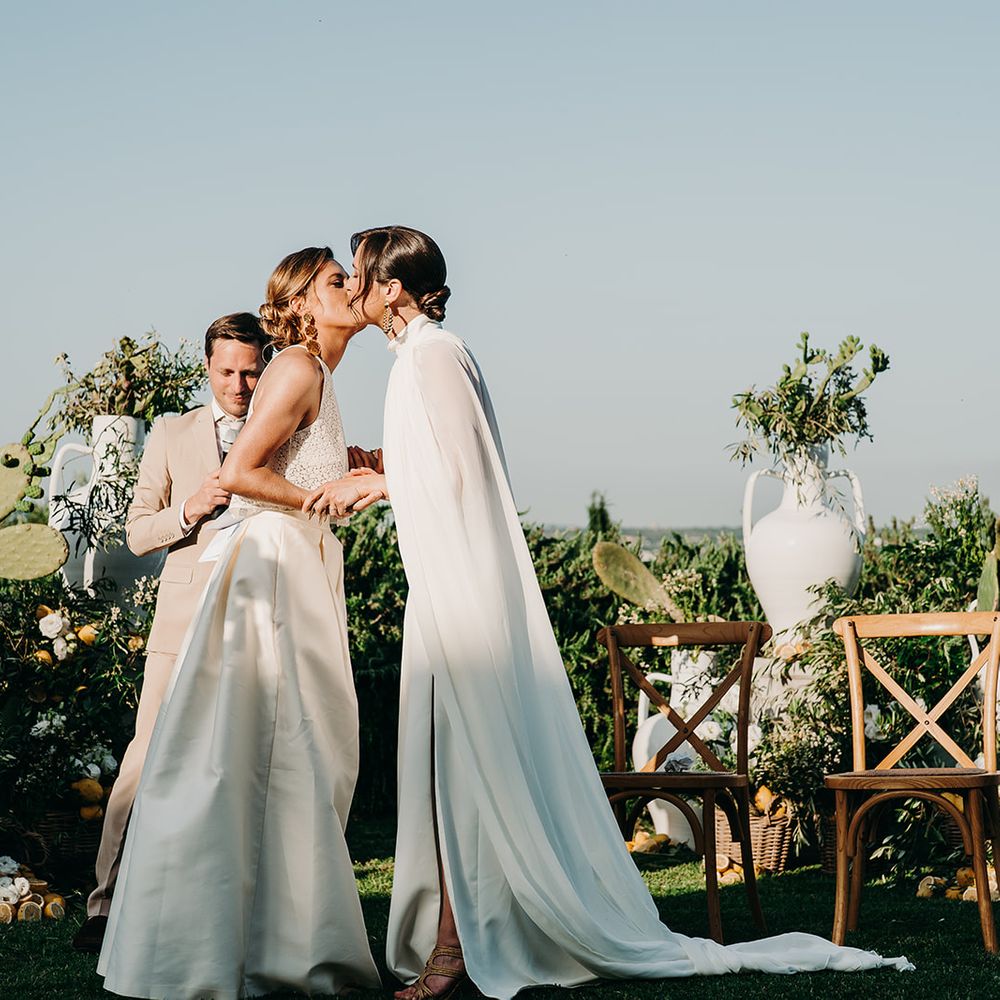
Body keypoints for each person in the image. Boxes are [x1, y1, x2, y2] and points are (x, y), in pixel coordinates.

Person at [308, 226, 913, 1000]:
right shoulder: (417, 360)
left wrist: (378, 487)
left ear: (391, 288)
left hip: (464, 598)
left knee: (467, 770)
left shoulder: (434, 355)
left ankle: (456, 954)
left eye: (358, 274)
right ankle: (462, 938)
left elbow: (465, 475)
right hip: (444, 587)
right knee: (453, 771)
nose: (351, 287)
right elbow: (438, 461)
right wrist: (383, 466)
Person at [96, 248, 381, 999]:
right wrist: (326, 497)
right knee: (258, 756)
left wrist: (349, 470)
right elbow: (236, 476)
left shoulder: (313, 373)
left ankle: (265, 932)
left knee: (293, 756)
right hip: (272, 570)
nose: (352, 288)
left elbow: (288, 460)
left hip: (295, 565)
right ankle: (244, 942)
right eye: (335, 281)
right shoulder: (296, 367)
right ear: (302, 299)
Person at [73, 312, 268, 952]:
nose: (239, 384)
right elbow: (137, 530)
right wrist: (190, 509)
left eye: (250, 370)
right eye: (227, 372)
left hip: (257, 615)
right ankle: (104, 906)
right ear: (206, 368)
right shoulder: (171, 432)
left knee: (241, 758)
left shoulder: (281, 427)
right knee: (146, 755)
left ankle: (223, 902)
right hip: (182, 618)